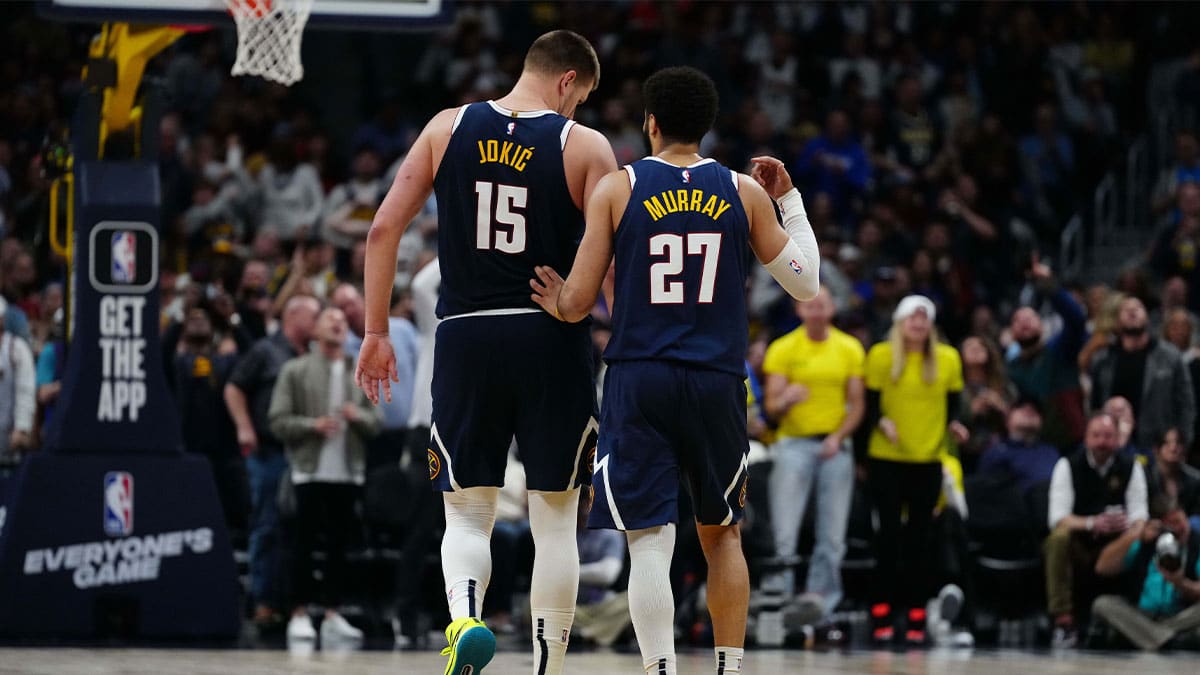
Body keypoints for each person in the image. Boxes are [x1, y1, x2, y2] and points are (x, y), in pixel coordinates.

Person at [529, 66, 820, 675]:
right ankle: (728, 669)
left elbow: (579, 303)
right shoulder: (742, 191)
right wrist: (787, 198)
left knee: (650, 539)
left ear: (650, 123)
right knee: (723, 534)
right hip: (716, 379)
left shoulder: (617, 187)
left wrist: (557, 297)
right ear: (707, 127)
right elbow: (805, 283)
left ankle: (660, 668)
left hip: (640, 379)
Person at [354, 30, 618, 675]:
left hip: (467, 335)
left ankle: (466, 620)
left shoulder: (447, 127)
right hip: (550, 335)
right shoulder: (583, 145)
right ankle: (547, 664)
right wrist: (599, 314)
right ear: (567, 81)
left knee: (466, 512)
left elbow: (384, 227)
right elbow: (614, 255)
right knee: (555, 518)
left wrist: (376, 332)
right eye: (580, 96)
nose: (577, 109)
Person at [858, 295, 967, 646]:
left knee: (921, 540)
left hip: (927, 459)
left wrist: (956, 427)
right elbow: (870, 407)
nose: (918, 324)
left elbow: (953, 406)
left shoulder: (948, 359)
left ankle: (917, 612)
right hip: (886, 459)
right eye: (912, 318)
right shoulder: (880, 356)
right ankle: (882, 611)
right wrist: (882, 422)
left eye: (924, 319)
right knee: (888, 537)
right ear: (900, 322)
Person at [270, 307, 382, 647]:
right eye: (330, 319)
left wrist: (357, 416)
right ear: (315, 330)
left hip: (348, 473)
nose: (338, 324)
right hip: (308, 471)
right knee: (301, 546)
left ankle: (333, 614)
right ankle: (299, 613)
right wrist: (312, 426)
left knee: (339, 548)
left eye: (343, 321)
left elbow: (377, 422)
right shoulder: (296, 370)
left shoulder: (359, 369)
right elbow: (277, 420)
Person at [761, 287, 864, 625]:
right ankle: (782, 598)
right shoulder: (783, 348)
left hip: (835, 445)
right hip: (793, 444)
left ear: (833, 308)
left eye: (823, 304)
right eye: (811, 304)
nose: (817, 309)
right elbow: (772, 407)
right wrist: (786, 399)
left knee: (832, 533)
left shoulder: (849, 348)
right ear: (799, 309)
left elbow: (858, 404)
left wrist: (838, 437)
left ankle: (822, 601)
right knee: (784, 529)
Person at [224, 295, 321, 628]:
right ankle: (263, 602)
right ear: (293, 315)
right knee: (267, 525)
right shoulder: (266, 350)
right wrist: (244, 427)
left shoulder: (310, 357)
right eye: (313, 315)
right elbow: (234, 388)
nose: (319, 322)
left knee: (295, 531)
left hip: (302, 452)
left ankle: (286, 601)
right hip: (268, 450)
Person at [1044, 413, 1149, 648]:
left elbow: (1140, 516)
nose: (1102, 442)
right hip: (1080, 545)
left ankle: (1142, 617)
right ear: (1086, 438)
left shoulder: (1131, 467)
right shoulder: (1067, 465)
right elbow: (1057, 519)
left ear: (1118, 439)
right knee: (1057, 538)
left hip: (1116, 547)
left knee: (1145, 535)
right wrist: (1093, 523)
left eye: (1108, 436)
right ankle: (1063, 621)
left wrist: (1129, 528)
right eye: (1096, 435)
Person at [1089, 296, 1196, 450]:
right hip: (1113, 445)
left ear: (1147, 316)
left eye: (1138, 308)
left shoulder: (1170, 357)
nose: (1132, 312)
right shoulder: (1103, 359)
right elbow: (1095, 406)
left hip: (1158, 444)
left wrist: (1183, 440)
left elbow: (1186, 404)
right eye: (1126, 310)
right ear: (1117, 321)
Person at [1006, 256, 1088, 451]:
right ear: (1011, 332)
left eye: (1030, 317)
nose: (1025, 322)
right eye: (1018, 320)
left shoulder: (1059, 350)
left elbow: (1076, 320)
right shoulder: (1011, 367)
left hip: (1072, 442)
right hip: (1033, 445)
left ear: (1042, 326)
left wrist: (1050, 286)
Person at [1092, 504, 1200, 650]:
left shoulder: (1196, 544)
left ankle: (1153, 637)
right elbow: (1102, 568)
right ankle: (1169, 639)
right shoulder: (1144, 544)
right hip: (1141, 616)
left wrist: (1181, 583)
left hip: (1179, 616)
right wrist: (1136, 534)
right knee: (1102, 603)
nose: (1178, 529)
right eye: (1171, 524)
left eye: (1180, 522)